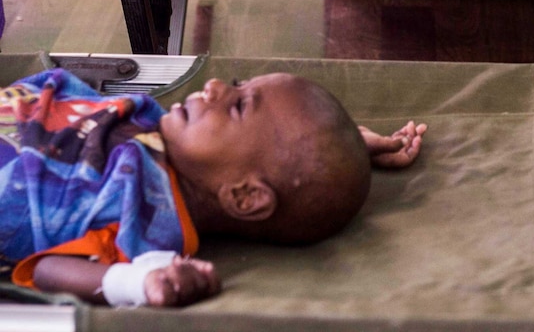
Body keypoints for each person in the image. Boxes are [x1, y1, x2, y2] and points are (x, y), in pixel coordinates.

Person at [0, 68, 424, 307]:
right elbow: (282, 156)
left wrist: (137, 283)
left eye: (238, 105)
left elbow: (46, 269)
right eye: (240, 84)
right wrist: (345, 143)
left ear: (243, 196)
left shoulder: (145, 220)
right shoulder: (167, 142)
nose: (216, 86)